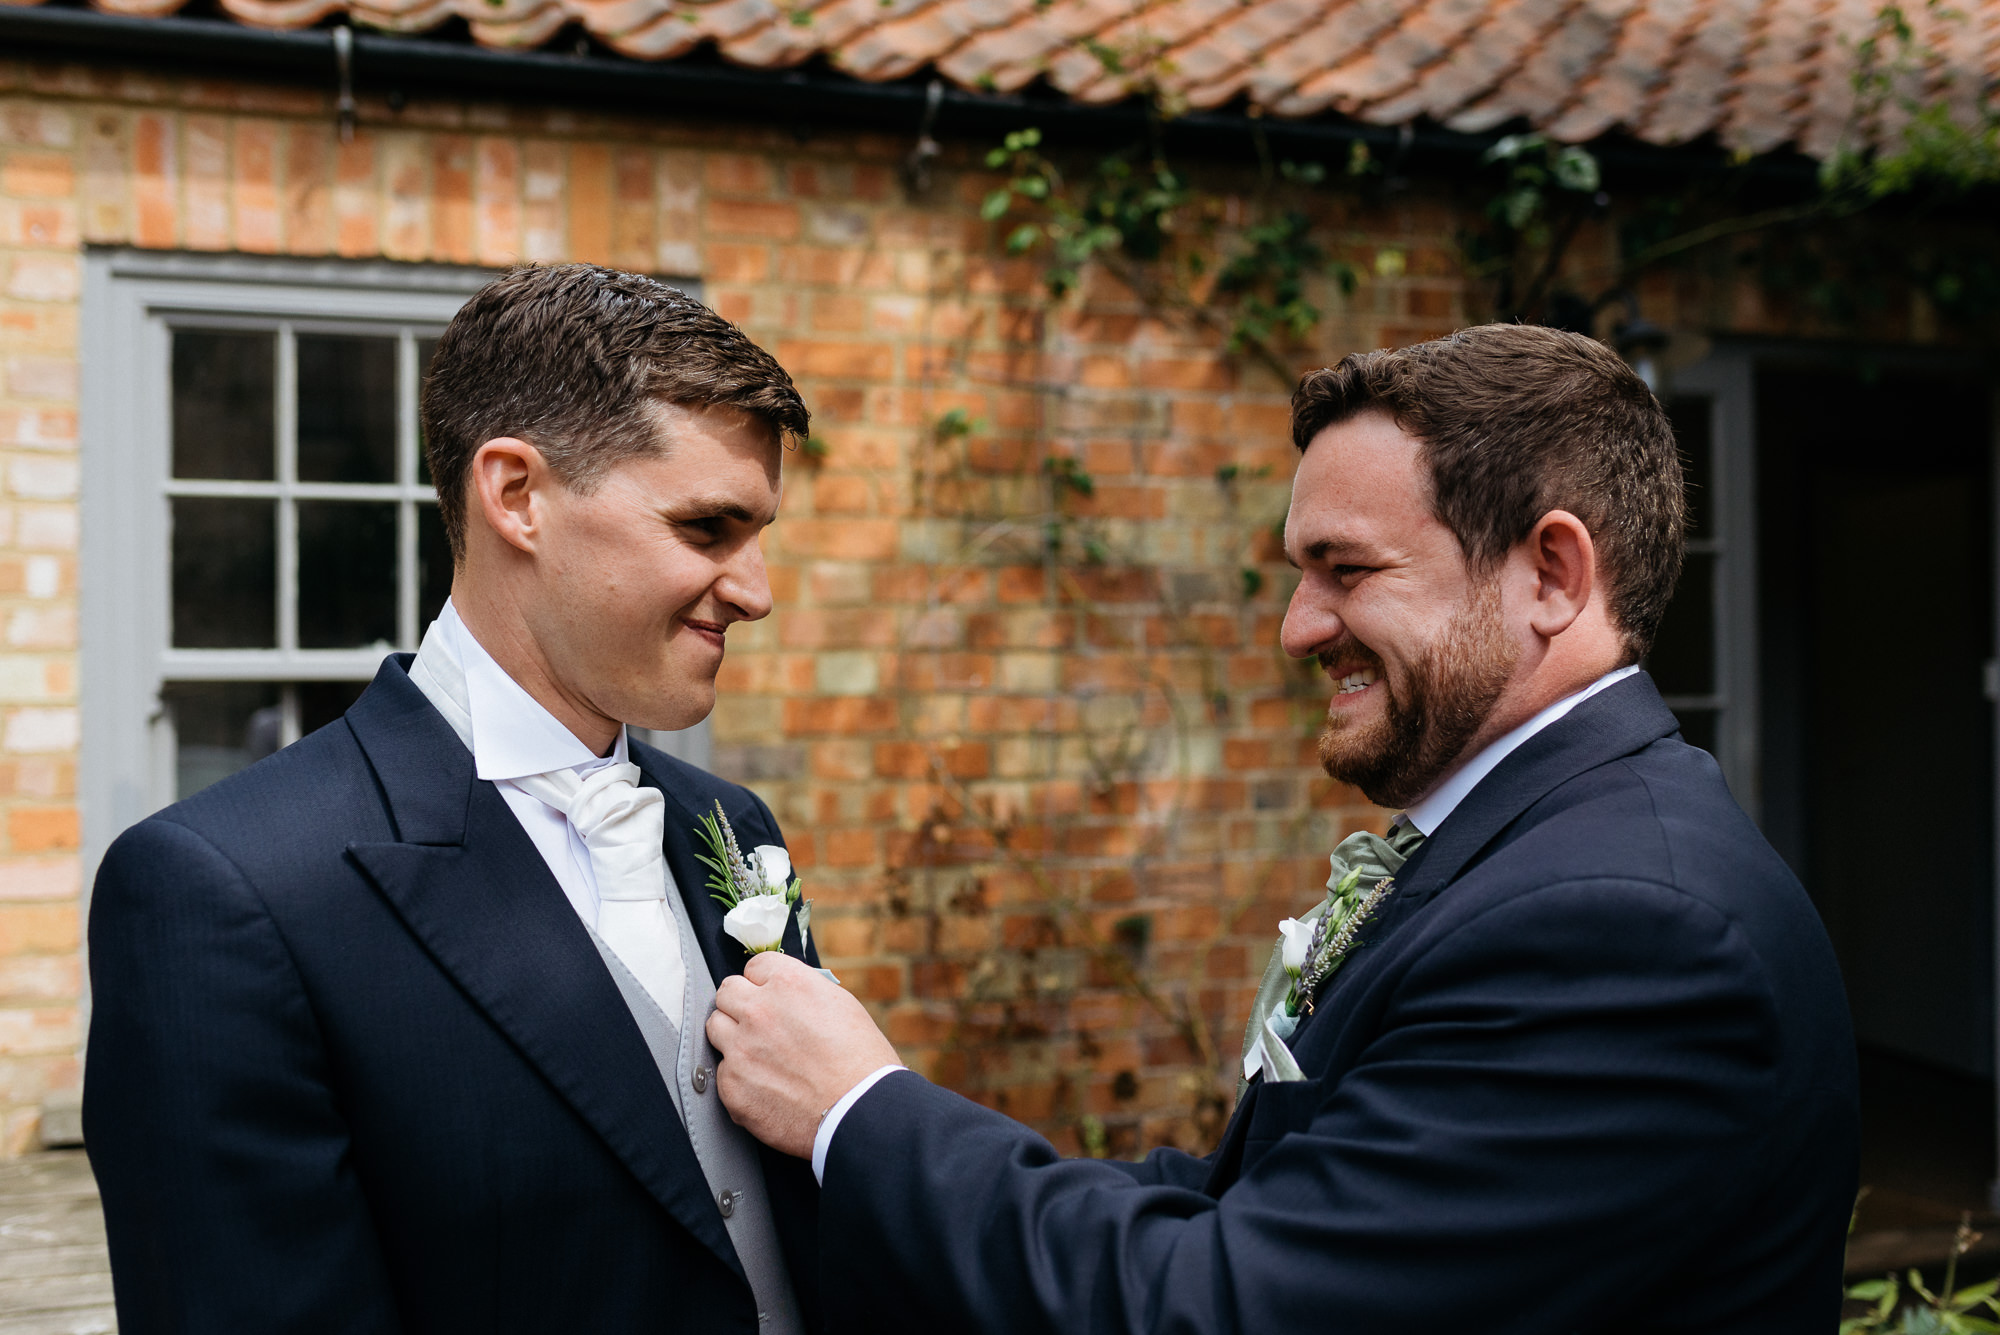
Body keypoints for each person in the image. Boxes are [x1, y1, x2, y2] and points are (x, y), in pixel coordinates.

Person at [707, 324, 1860, 1334]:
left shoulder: (1624, 926)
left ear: (1550, 574)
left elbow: (1228, 1305)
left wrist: (860, 1115)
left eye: (1343, 570)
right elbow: (1249, 1198)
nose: (1297, 627)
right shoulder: (1539, 851)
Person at [86, 265, 823, 1334]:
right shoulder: (225, 891)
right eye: (707, 529)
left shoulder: (730, 828)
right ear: (516, 495)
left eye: (759, 536)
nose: (755, 590)